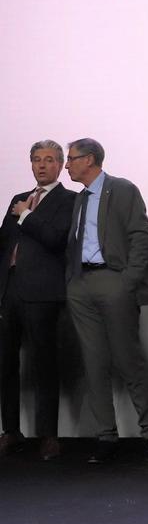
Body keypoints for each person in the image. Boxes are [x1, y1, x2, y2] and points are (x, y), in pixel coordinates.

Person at [64, 138, 148, 464]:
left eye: (71, 159)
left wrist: (127, 282)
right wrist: (72, 282)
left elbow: (141, 235)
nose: (67, 165)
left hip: (114, 281)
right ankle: (105, 436)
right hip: (82, 285)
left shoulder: (122, 189)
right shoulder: (80, 198)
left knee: (128, 360)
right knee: (93, 363)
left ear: (89, 159)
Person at [0, 140, 77, 460]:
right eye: (36, 159)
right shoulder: (18, 198)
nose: (41, 165)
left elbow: (55, 239)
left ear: (60, 164)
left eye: (48, 159)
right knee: (5, 364)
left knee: (44, 364)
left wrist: (27, 215)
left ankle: (48, 435)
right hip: (9, 291)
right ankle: (10, 431)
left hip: (43, 293)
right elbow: (5, 244)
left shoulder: (70, 200)